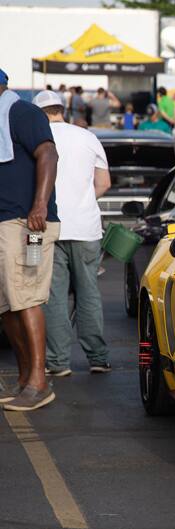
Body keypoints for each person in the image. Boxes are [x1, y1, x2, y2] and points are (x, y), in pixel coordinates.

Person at [33, 90, 112, 377]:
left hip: (47, 226)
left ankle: (57, 362)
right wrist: (83, 200)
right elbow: (104, 182)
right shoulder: (87, 137)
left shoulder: (35, 139)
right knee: (88, 290)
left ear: (38, 113)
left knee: (53, 295)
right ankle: (98, 357)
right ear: (61, 108)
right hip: (86, 227)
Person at [0, 70, 61, 411]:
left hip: (27, 223)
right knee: (7, 304)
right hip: (4, 223)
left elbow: (48, 155)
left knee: (26, 297)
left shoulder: (21, 112)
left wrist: (39, 204)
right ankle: (26, 379)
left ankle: (39, 382)